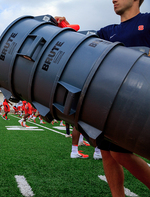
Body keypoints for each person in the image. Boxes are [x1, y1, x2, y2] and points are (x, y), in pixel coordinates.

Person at [56, 0, 150, 195]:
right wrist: (64, 25)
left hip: (139, 98)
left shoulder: (147, 21)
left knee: (119, 153)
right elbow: (83, 43)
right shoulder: (109, 31)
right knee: (106, 151)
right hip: (113, 99)